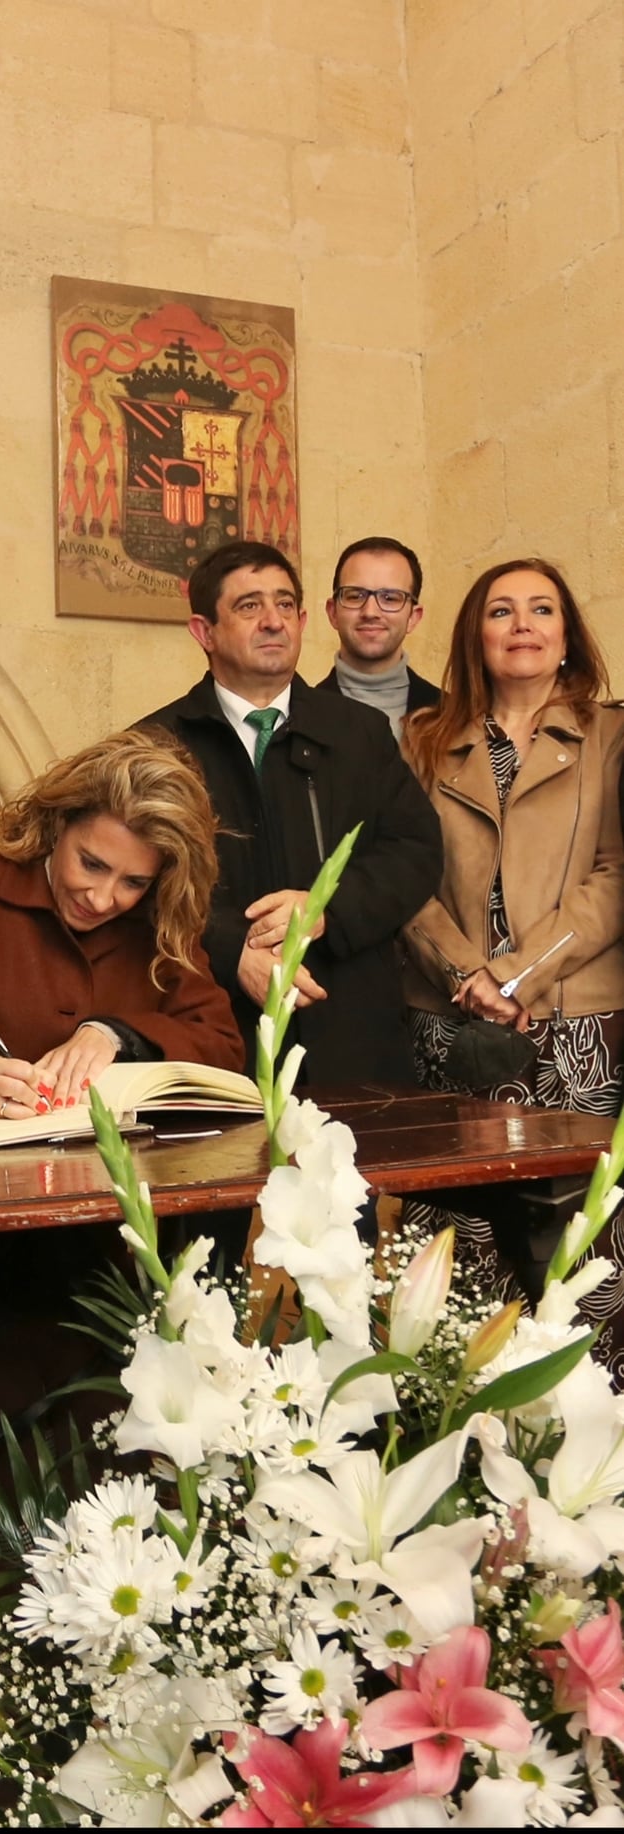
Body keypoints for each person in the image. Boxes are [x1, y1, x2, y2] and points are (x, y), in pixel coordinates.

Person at [0, 728, 244, 1473]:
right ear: (57, 823)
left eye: (130, 882)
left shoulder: (156, 916)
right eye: (90, 863)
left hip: (105, 1239)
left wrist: (118, 1034)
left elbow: (220, 1042)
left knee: (127, 1424)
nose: (103, 896)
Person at [401, 558, 624, 1372]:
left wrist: (518, 974)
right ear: (475, 636)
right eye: (501, 610)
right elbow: (402, 878)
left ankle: (595, 1445)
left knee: (585, 1247)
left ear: (567, 635)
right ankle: (465, 1434)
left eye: (542, 609)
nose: (522, 623)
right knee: (461, 1244)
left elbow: (615, 875)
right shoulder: (420, 739)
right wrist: (468, 972)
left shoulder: (611, 735)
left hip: (576, 1023)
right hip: (449, 1021)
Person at [141, 538, 443, 1087]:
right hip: (220, 1035)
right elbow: (143, 886)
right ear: (203, 631)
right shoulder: (156, 746)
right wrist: (233, 953)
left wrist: (328, 907)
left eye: (285, 605)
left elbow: (415, 851)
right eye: (249, 606)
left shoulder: (360, 733)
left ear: (305, 620)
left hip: (351, 1035)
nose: (273, 621)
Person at [316, 536, 440, 735]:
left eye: (390, 598)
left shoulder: (454, 718)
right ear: (333, 613)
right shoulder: (296, 718)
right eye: (355, 596)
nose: (370, 612)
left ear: (413, 617)